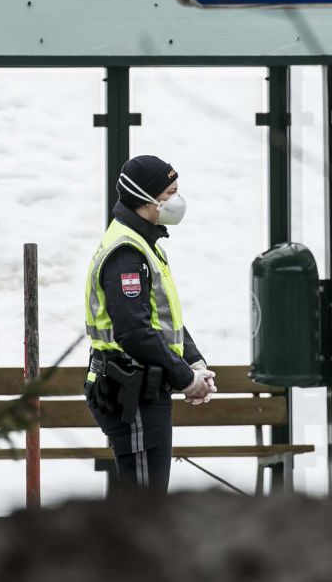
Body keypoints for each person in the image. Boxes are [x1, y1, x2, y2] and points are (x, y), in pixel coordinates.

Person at [83, 155, 215, 492]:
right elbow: (135, 332)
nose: (177, 200)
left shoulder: (144, 243)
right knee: (144, 507)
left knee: (145, 502)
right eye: (170, 192)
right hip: (131, 389)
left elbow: (161, 316)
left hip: (143, 387)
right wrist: (187, 380)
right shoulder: (127, 252)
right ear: (147, 197)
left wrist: (192, 359)